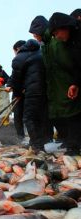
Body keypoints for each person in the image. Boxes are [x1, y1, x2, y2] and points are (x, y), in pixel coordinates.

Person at [29, 13, 81, 155]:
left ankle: (74, 146)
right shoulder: (47, 44)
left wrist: (74, 81)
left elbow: (70, 62)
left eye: (35, 34)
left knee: (72, 114)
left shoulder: (56, 42)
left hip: (65, 83)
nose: (35, 37)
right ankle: (68, 141)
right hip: (57, 85)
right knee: (60, 114)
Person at [9, 39, 51, 151]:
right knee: (41, 117)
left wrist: (17, 93)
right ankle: (39, 141)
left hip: (32, 91)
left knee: (29, 118)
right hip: (45, 90)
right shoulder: (41, 53)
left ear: (17, 49)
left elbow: (16, 79)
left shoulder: (19, 58)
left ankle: (37, 146)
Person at [6, 40, 26, 140]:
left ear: (17, 49)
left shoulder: (25, 58)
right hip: (18, 92)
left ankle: (33, 138)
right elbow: (13, 75)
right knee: (17, 115)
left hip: (26, 92)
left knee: (28, 116)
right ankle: (20, 137)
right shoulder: (18, 60)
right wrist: (9, 85)